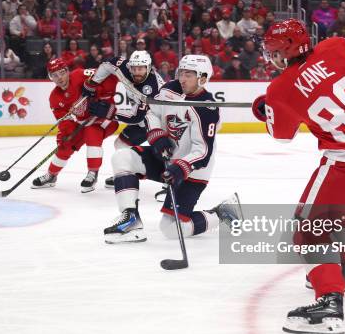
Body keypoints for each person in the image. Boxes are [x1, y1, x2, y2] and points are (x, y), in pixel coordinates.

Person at [252, 19, 345, 334]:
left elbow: (280, 135)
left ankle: (329, 304)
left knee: (308, 231)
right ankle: (342, 269)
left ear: (286, 50)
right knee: (337, 211)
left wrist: (267, 108)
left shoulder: (280, 88)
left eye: (274, 51)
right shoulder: (335, 46)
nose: (271, 57)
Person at [103, 55, 242, 244]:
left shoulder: (206, 109)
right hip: (164, 157)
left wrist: (180, 167)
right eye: (181, 73)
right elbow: (151, 112)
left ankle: (222, 213)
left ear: (202, 78)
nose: (182, 79)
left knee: (170, 229)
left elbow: (203, 151)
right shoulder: (170, 89)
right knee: (122, 158)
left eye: (189, 75)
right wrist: (157, 135)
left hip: (192, 172)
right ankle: (131, 220)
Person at [31, 58, 119, 193]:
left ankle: (92, 173)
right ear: (51, 78)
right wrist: (66, 135)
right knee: (66, 145)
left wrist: (101, 94)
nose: (59, 78)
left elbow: (105, 75)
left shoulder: (79, 75)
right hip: (85, 122)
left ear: (67, 71)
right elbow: (64, 121)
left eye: (61, 73)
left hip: (105, 117)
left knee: (92, 131)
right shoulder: (55, 97)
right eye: (54, 75)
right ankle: (51, 175)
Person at [82, 51, 164, 190]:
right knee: (120, 144)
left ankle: (170, 183)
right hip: (141, 121)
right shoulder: (125, 68)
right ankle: (127, 174)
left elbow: (137, 116)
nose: (137, 72)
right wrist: (93, 82)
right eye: (134, 68)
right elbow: (107, 65)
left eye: (141, 69)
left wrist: (110, 112)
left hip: (159, 122)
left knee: (163, 151)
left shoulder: (153, 89)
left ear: (149, 68)